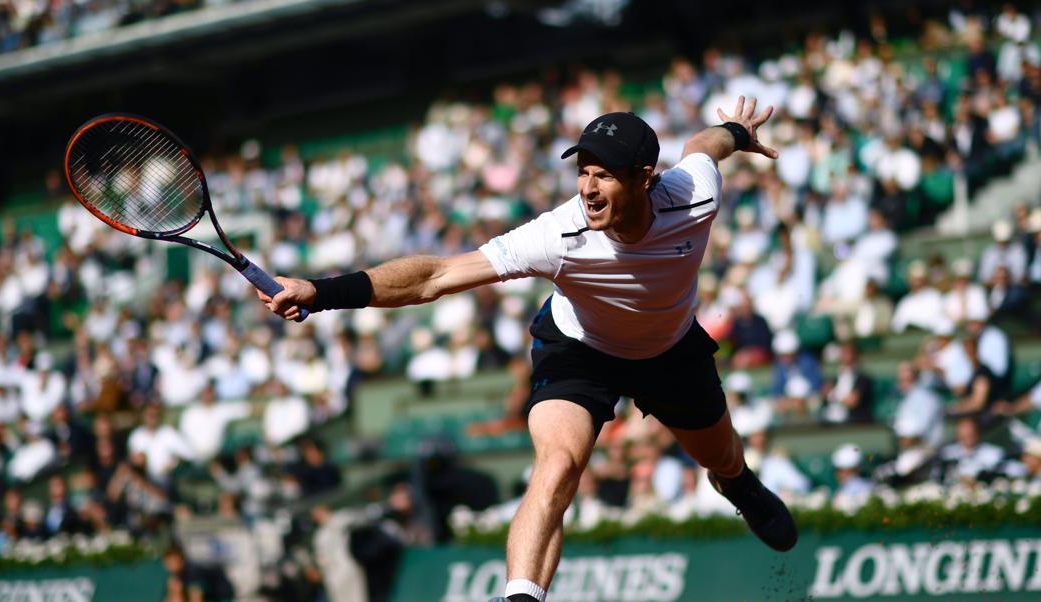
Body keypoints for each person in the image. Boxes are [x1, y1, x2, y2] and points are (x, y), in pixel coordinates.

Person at [260, 98, 798, 602]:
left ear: (644, 178)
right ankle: (521, 596)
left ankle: (737, 484)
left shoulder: (696, 196)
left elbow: (705, 145)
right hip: (580, 349)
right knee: (559, 464)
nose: (588, 187)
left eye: (604, 174)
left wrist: (735, 132)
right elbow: (436, 276)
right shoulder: (557, 234)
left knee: (723, 458)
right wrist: (322, 292)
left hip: (670, 348)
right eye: (582, 171)